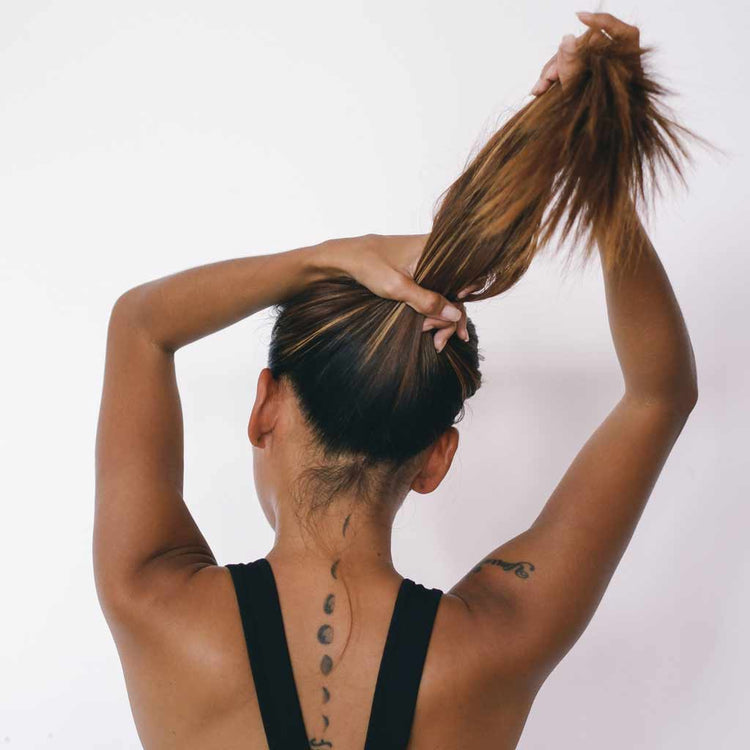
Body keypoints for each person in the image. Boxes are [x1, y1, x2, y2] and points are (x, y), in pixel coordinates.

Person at [94, 12, 698, 749]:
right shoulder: (496, 644)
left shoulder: (156, 604)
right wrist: (599, 172)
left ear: (263, 408)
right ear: (437, 459)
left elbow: (142, 326)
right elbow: (659, 395)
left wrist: (328, 258)